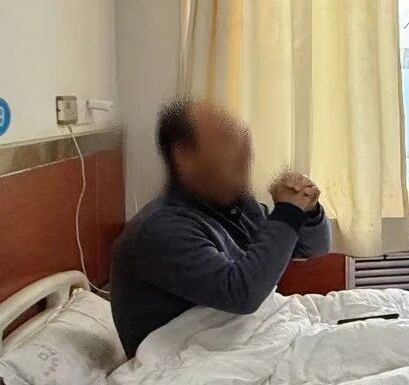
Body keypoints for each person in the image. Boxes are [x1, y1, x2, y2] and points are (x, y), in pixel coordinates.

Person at [111, 99, 332, 357]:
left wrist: (307, 210)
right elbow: (242, 294)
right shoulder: (160, 229)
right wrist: (288, 212)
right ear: (184, 157)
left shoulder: (237, 205)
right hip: (182, 360)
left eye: (244, 144)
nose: (245, 157)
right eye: (229, 145)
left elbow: (312, 248)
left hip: (242, 340)